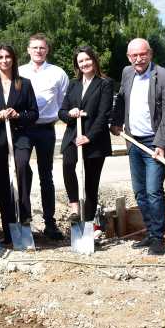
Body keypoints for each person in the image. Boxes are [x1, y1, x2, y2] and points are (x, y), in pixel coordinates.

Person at [110, 37, 165, 255]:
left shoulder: (164, 77)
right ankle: (151, 232)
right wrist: (115, 122)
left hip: (154, 143)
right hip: (134, 141)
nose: (138, 59)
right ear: (128, 57)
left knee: (154, 191)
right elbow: (121, 100)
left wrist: (161, 144)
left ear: (150, 54)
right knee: (140, 192)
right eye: (133, 55)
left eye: (142, 54)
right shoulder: (127, 73)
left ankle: (158, 239)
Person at [0, 43, 38, 244]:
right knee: (2, 185)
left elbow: (34, 113)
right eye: (0, 57)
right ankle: (10, 230)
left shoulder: (25, 83)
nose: (4, 60)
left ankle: (24, 216)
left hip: (19, 136)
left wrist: (17, 114)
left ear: (14, 59)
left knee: (21, 168)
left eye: (8, 57)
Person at [18, 33, 69, 240]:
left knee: (46, 175)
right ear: (28, 50)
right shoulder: (19, 72)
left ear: (47, 50)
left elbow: (63, 101)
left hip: (46, 129)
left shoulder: (57, 73)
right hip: (23, 129)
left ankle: (50, 222)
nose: (38, 51)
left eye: (42, 48)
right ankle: (25, 217)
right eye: (34, 48)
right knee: (22, 169)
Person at [58, 46, 114, 224]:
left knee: (91, 183)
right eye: (80, 61)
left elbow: (104, 114)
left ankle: (89, 224)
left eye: (87, 59)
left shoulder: (105, 83)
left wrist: (89, 137)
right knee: (68, 164)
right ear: (77, 64)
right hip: (74, 134)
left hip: (95, 139)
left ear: (94, 60)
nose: (84, 63)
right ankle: (74, 206)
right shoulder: (73, 84)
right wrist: (70, 113)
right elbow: (62, 111)